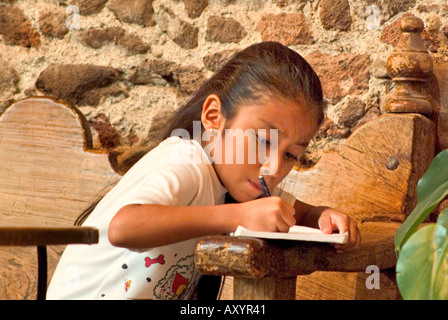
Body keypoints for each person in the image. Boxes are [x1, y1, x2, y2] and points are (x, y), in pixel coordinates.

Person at [47, 41, 360, 300]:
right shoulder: (186, 162)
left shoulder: (243, 181)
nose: (274, 167)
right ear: (214, 117)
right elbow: (123, 227)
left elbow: (291, 212)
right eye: (263, 140)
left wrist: (321, 216)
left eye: (292, 154)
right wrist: (238, 217)